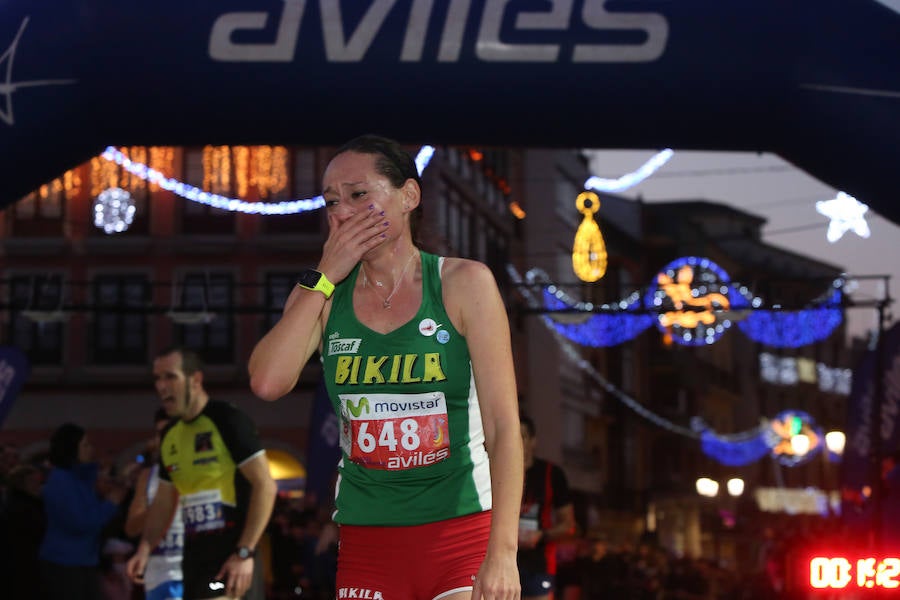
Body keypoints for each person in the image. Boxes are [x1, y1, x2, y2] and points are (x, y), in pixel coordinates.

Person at [248, 134, 523, 600]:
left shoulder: (464, 283)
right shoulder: (320, 293)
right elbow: (268, 382)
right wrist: (324, 276)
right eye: (331, 201)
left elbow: (502, 428)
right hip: (367, 540)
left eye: (359, 194)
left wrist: (503, 554)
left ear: (408, 196)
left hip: (460, 534)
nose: (342, 212)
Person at [126, 347, 277, 600]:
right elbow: (163, 502)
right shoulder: (170, 435)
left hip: (232, 556)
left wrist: (244, 552)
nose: (161, 386)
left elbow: (266, 486)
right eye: (157, 378)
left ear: (195, 380)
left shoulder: (228, 420)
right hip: (194, 559)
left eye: (170, 377)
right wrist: (144, 548)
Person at [39, 422, 126, 600]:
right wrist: (111, 503)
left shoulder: (77, 478)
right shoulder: (61, 481)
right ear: (72, 448)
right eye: (85, 445)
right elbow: (82, 522)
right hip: (65, 563)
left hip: (82, 560)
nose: (90, 449)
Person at [125, 408, 184, 600]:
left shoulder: (201, 469)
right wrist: (160, 506)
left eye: (169, 431)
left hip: (193, 568)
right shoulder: (148, 476)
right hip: (159, 573)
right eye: (159, 433)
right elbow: (131, 528)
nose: (164, 438)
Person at [518, 414, 576, 600]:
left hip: (539, 564)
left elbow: (568, 525)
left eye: (523, 436)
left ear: (533, 441)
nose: (517, 442)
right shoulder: (490, 471)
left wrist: (541, 535)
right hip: (501, 562)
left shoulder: (552, 474)